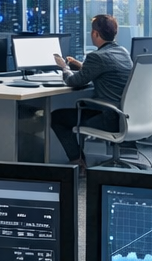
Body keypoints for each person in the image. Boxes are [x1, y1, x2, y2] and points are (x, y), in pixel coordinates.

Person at [49, 14, 134, 166]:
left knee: (57, 117)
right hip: (126, 115)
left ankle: (78, 163)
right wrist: (81, 66)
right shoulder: (123, 52)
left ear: (95, 33)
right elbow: (107, 70)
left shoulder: (96, 56)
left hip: (109, 119)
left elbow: (73, 81)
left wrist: (64, 67)